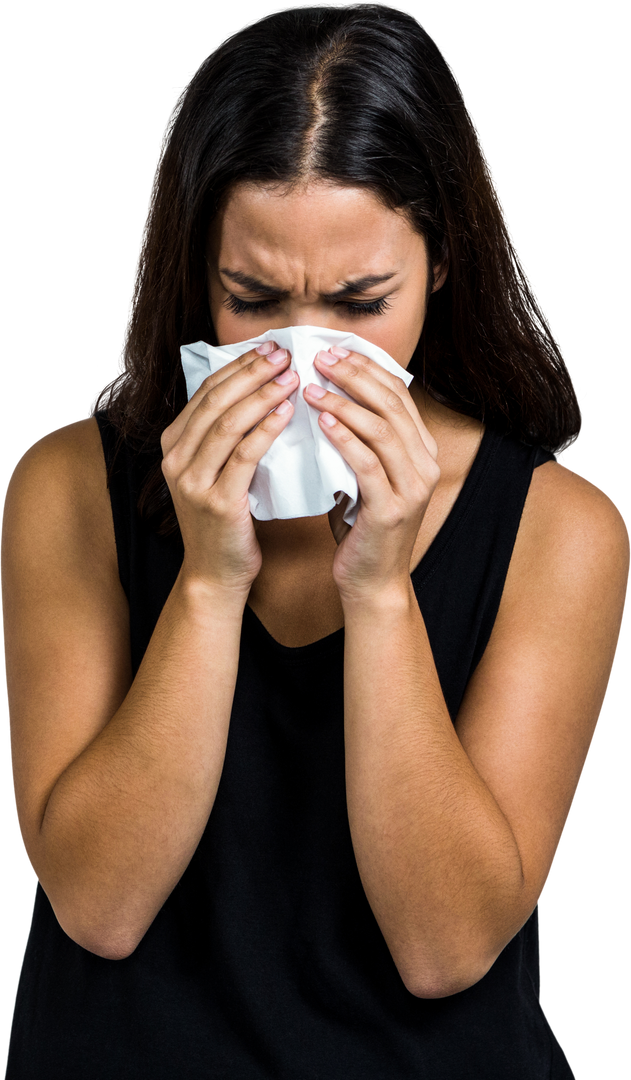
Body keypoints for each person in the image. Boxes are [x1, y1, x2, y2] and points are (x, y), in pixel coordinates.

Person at [2, 4, 628, 1077]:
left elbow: (444, 948)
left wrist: (380, 589)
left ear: (441, 265)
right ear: (197, 274)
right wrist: (208, 583)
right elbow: (98, 906)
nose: (305, 355)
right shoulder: (67, 485)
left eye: (358, 302)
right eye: (254, 300)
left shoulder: (560, 530)